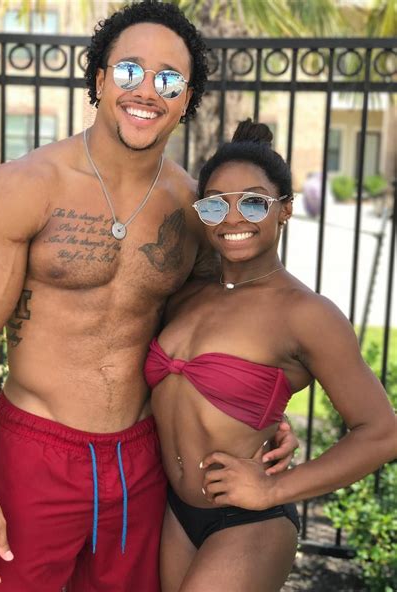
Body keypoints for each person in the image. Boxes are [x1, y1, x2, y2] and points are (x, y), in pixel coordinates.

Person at [0, 3, 298, 591]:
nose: (147, 91)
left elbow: (217, 326)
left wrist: (264, 414)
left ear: (187, 99)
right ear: (100, 80)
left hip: (140, 457)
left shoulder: (192, 209)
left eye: (169, 80)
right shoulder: (23, 187)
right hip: (36, 451)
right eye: (130, 71)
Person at [144, 119, 397, 592]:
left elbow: (382, 433)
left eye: (255, 202)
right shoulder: (186, 297)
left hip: (248, 520)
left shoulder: (306, 314)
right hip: (175, 513)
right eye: (218, 203)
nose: (234, 219)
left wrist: (274, 488)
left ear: (285, 210)